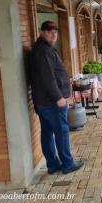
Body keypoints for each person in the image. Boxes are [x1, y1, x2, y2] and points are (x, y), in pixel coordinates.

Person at [31, 21, 84, 175]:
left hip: (43, 101)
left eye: (55, 31)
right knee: (61, 131)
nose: (53, 34)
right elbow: (48, 78)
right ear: (42, 32)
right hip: (51, 102)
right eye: (49, 31)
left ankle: (53, 165)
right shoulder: (43, 51)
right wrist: (58, 97)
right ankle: (67, 163)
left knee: (47, 132)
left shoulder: (44, 48)